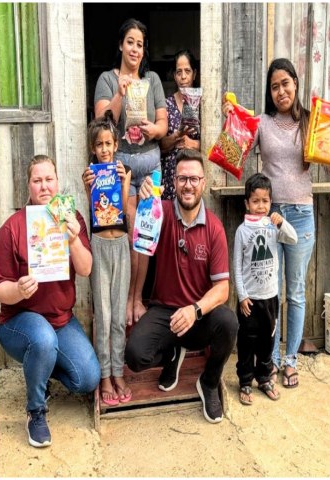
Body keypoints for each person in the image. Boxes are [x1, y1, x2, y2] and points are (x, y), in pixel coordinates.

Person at [222, 58, 330, 388]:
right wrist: (232, 121)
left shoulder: (313, 121)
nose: (281, 91)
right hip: (269, 218)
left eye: (286, 84)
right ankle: (271, 359)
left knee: (295, 291)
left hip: (302, 215)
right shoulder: (262, 123)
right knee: (270, 292)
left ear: (295, 84)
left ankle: (290, 359)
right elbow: (237, 152)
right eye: (274, 86)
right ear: (270, 91)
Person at [124, 148, 238, 423]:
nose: (188, 185)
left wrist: (195, 310)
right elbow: (136, 240)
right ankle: (173, 352)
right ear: (173, 182)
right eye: (183, 178)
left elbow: (222, 289)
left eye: (194, 179)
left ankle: (209, 382)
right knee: (135, 356)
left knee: (229, 323)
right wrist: (141, 206)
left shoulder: (214, 228)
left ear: (203, 182)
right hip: (164, 311)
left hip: (198, 315)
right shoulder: (159, 212)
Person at [0, 155, 100, 448]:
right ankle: (35, 411)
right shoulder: (12, 228)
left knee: (88, 379)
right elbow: (0, 291)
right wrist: (18, 289)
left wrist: (74, 240)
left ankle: (39, 369)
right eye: (37, 180)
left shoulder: (72, 217)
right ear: (28, 185)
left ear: (57, 182)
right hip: (19, 323)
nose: (44, 186)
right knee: (41, 338)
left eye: (49, 179)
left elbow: (86, 269)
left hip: (61, 321)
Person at [94, 18, 168, 326]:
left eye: (140, 44)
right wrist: (121, 94)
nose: (135, 48)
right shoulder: (108, 80)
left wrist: (154, 129)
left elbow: (164, 125)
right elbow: (101, 120)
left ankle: (138, 298)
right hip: (121, 166)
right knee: (129, 235)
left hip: (151, 165)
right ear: (121, 45)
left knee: (145, 235)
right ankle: (126, 299)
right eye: (130, 42)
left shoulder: (152, 79)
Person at [81, 111, 133, 406]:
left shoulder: (119, 171)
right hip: (99, 246)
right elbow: (94, 210)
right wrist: (88, 187)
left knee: (117, 316)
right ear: (93, 148)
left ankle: (118, 370)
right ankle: (103, 375)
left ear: (116, 146)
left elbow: (122, 210)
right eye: (99, 144)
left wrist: (124, 182)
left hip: (120, 245)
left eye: (108, 144)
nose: (104, 149)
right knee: (102, 314)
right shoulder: (91, 175)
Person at [233, 173, 297, 405]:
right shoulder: (242, 231)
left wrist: (282, 222)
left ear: (271, 202)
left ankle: (264, 378)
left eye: (266, 201)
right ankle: (245, 382)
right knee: (247, 343)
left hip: (271, 299)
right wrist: (242, 296)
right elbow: (237, 268)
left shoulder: (273, 227)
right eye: (256, 201)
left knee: (267, 343)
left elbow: (293, 239)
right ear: (247, 203)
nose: (261, 206)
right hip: (250, 301)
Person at [159, 49, 201, 200]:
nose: (183, 76)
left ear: (194, 74)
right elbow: (161, 146)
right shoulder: (166, 104)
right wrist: (177, 136)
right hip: (172, 174)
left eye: (187, 71)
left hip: (195, 176)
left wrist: (193, 144)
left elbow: (213, 146)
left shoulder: (203, 103)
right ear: (175, 76)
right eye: (179, 72)